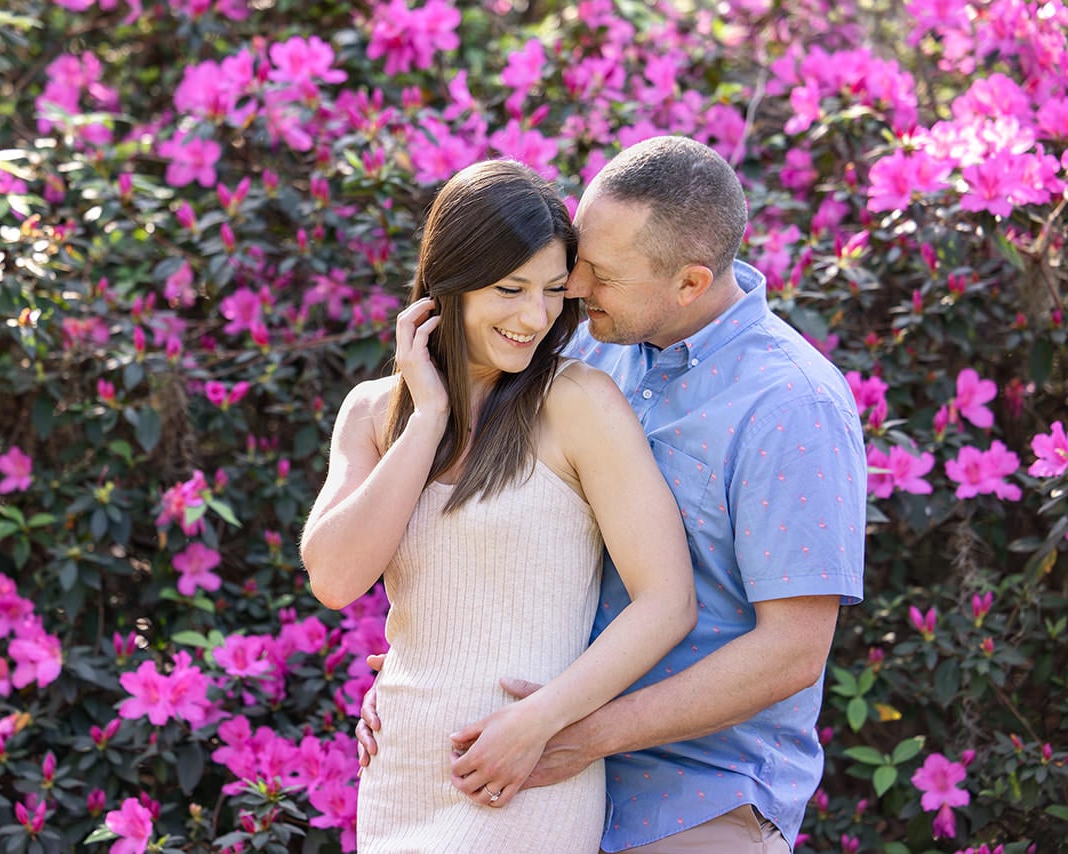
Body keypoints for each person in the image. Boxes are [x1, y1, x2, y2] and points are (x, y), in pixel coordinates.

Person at [357, 136, 868, 853]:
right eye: (578, 263)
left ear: (689, 283)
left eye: (599, 273)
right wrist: (436, 669)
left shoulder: (792, 405)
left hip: (695, 798)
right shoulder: (586, 352)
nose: (572, 290)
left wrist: (580, 735)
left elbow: (790, 653)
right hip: (528, 772)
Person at [300, 158, 697, 852]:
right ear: (448, 281)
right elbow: (335, 579)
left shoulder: (578, 405)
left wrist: (541, 720)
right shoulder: (373, 414)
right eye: (510, 289)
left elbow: (667, 601)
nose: (534, 317)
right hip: (400, 775)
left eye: (552, 291)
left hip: (523, 775)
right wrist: (427, 419)